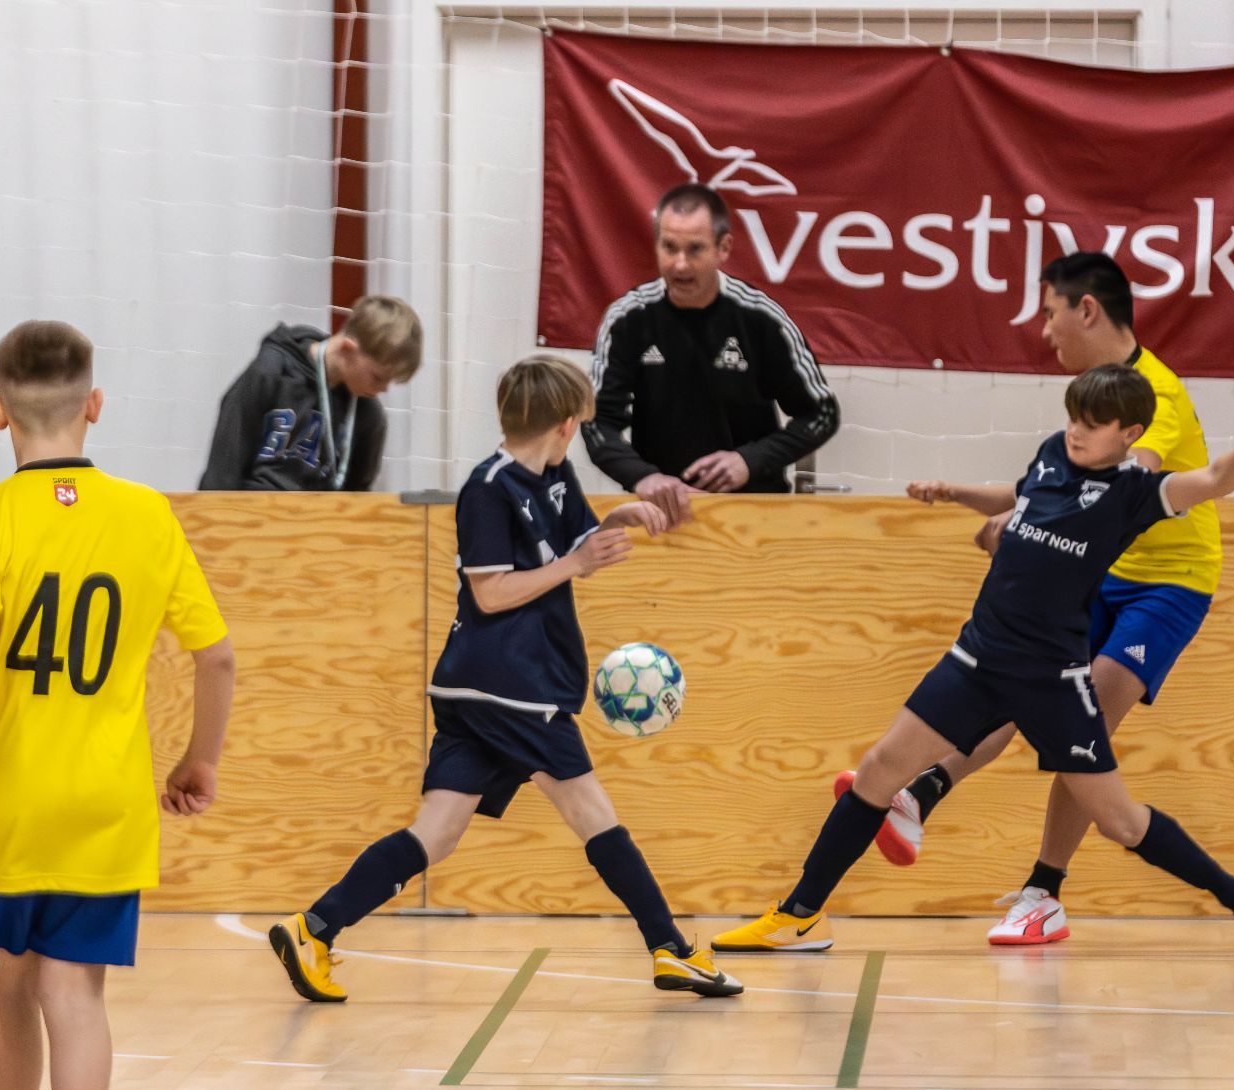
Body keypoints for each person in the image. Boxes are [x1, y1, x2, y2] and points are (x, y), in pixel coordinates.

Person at [712, 365, 1234, 955]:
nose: (1077, 431)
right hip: (976, 659)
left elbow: (1212, 479)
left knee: (1122, 824)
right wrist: (956, 494)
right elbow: (1018, 496)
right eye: (1074, 418)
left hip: (1052, 682)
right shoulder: (1053, 453)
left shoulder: (1135, 494)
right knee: (876, 771)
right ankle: (799, 917)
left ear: (1130, 434)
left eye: (1094, 424)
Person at [267, 355, 745, 1003]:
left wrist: (625, 517)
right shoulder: (487, 488)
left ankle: (313, 928)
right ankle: (672, 950)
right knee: (594, 815)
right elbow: (491, 594)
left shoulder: (556, 474)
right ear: (567, 424)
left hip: (484, 690)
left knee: (437, 832)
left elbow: (577, 547)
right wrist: (577, 564)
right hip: (512, 686)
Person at [841, 251, 1226, 946]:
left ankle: (1044, 894)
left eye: (1050, 314)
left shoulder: (1155, 398)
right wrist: (987, 503)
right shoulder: (1093, 397)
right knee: (1021, 686)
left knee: (1086, 724)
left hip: (1168, 582)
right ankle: (920, 795)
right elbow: (1060, 491)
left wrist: (1020, 527)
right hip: (1096, 572)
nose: (1044, 331)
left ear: (1087, 311)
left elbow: (1123, 491)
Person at [0, 319, 235, 1090]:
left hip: (7, 795)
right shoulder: (148, 515)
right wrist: (199, 759)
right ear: (94, 405)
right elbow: (217, 656)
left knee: (7, 990)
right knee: (75, 997)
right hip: (106, 802)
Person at [583, 184, 839, 522]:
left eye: (695, 249)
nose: (680, 264)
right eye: (669, 247)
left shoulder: (760, 317)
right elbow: (596, 421)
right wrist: (643, 477)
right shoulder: (627, 318)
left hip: (754, 514)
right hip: (661, 516)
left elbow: (822, 414)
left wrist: (750, 461)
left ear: (724, 248)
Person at [199, 294, 422, 491]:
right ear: (347, 349)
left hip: (320, 522)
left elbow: (358, 498)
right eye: (378, 377)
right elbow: (222, 472)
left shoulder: (368, 415)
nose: (384, 389)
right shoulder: (270, 373)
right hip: (252, 516)